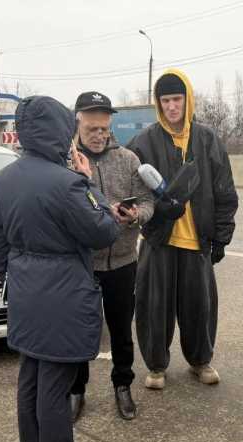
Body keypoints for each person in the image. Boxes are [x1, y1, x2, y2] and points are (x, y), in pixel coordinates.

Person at [0, 95, 120, 442]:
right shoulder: (67, 183)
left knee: (31, 373)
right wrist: (89, 183)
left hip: (25, 289)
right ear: (62, 132)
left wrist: (17, 275)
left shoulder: (3, 178)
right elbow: (104, 230)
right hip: (63, 292)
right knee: (56, 378)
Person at [127, 68, 238, 390]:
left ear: (187, 100)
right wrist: (158, 211)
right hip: (159, 241)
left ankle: (200, 361)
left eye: (177, 99)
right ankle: (157, 366)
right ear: (158, 104)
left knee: (199, 307)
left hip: (197, 241)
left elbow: (225, 192)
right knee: (153, 307)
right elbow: (135, 192)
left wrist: (221, 237)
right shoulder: (144, 141)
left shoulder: (207, 140)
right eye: (165, 101)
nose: (172, 107)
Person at [68, 91, 154, 422]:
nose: (100, 135)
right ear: (78, 123)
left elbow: (148, 201)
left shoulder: (128, 159)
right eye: (92, 129)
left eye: (104, 128)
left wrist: (136, 216)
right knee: (78, 330)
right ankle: (77, 389)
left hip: (122, 261)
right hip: (82, 264)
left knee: (120, 329)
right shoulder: (67, 162)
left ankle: (123, 386)